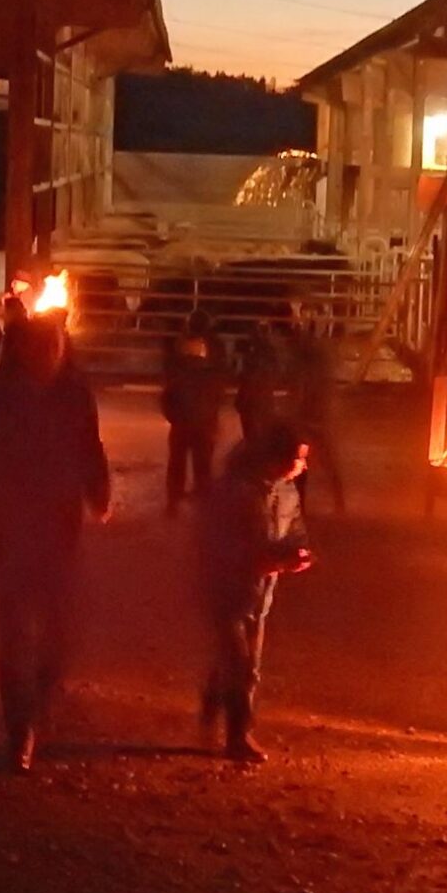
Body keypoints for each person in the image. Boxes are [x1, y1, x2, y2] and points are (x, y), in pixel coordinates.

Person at [0, 317, 111, 770]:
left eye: (56, 347)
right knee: (14, 630)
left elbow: (89, 442)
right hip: (11, 526)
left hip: (59, 522)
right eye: (43, 347)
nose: (51, 355)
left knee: (57, 628)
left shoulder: (74, 391)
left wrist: (98, 489)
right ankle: (20, 729)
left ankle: (40, 706)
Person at [194, 419, 315, 764]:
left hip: (260, 594)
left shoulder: (286, 491)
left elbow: (294, 529)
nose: (303, 466)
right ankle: (238, 736)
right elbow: (219, 544)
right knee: (243, 665)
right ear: (277, 457)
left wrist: (298, 552)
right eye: (299, 458)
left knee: (237, 659)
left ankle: (212, 703)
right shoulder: (236, 491)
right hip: (225, 590)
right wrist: (264, 560)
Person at [161, 308, 226, 513]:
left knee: (177, 463)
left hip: (182, 421)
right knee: (202, 466)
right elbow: (219, 390)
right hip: (204, 421)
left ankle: (173, 502)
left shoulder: (178, 355)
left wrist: (172, 415)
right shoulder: (215, 354)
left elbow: (168, 389)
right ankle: (202, 504)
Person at [288, 320, 347, 514]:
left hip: (311, 417)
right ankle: (338, 503)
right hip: (318, 416)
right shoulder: (322, 364)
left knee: (302, 460)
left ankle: (302, 504)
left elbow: (300, 392)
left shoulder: (308, 367)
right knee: (326, 461)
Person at [235, 323, 290, 448]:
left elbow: (247, 374)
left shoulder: (255, 351)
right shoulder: (267, 351)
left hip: (253, 398)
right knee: (258, 432)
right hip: (260, 398)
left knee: (252, 434)